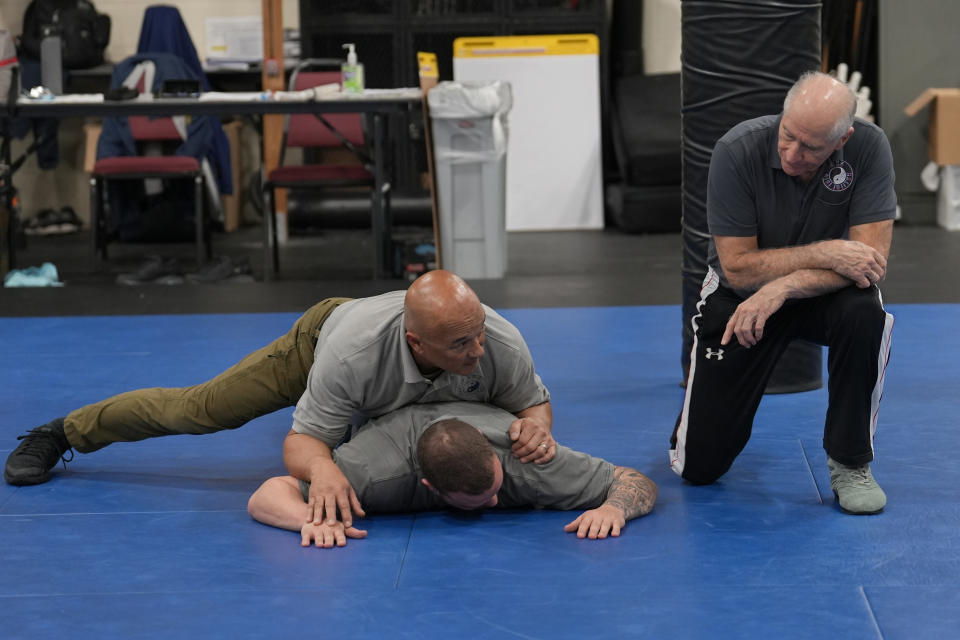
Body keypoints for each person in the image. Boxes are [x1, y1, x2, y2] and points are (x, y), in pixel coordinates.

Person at [5, 270, 557, 527]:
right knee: (202, 409)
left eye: (479, 333)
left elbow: (532, 401)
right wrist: (322, 470)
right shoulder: (349, 355)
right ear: (417, 340)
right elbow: (303, 443)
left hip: (392, 387)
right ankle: (64, 432)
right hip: (321, 341)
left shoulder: (494, 339)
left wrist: (538, 424)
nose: (477, 350)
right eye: (461, 343)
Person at [669, 71, 896, 515]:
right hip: (739, 294)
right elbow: (737, 266)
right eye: (788, 136)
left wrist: (786, 286)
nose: (792, 153)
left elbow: (869, 263)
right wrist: (828, 252)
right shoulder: (737, 150)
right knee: (699, 468)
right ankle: (697, 416)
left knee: (865, 313)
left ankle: (850, 460)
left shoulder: (869, 148)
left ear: (842, 139)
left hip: (823, 292)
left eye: (811, 147)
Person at [247, 401, 657, 547]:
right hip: (356, 373)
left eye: (494, 489)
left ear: (485, 443)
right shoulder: (374, 475)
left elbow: (634, 479)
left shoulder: (523, 459)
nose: (497, 503)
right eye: (480, 503)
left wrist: (616, 510)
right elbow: (269, 492)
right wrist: (310, 520)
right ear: (429, 488)